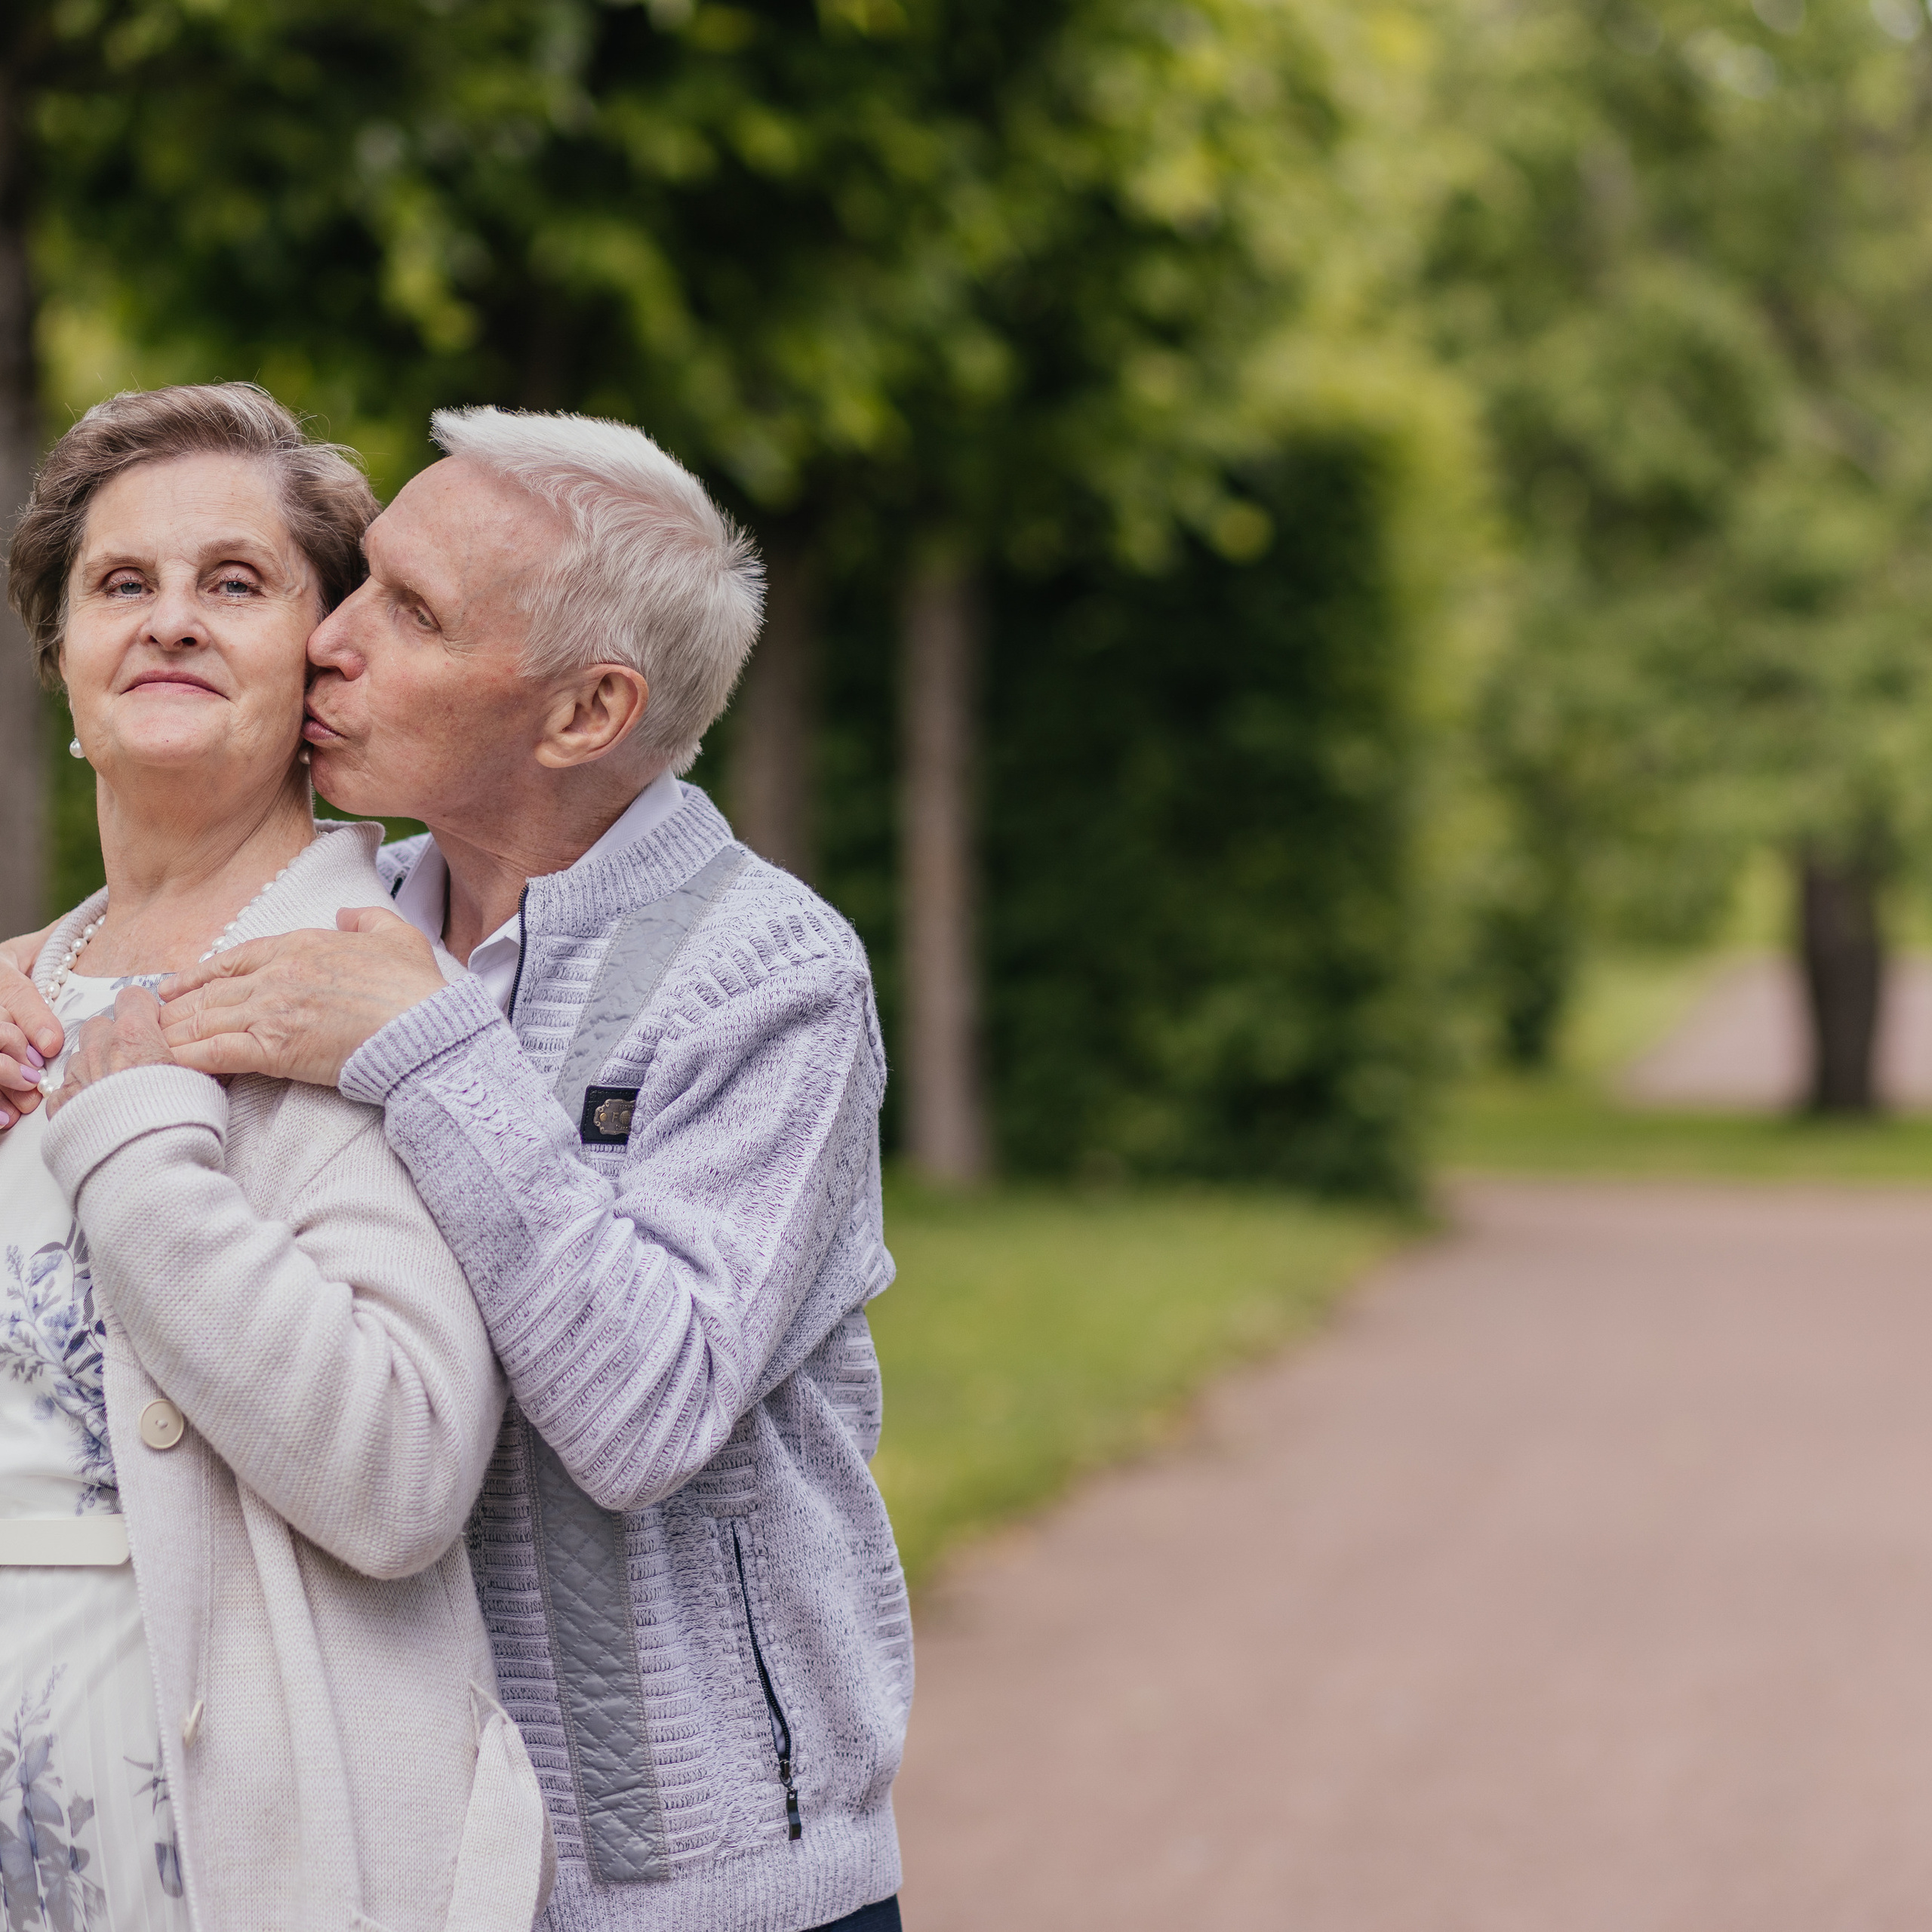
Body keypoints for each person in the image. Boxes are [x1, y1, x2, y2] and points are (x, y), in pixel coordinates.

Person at [1, 405, 912, 1932]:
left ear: (581, 712)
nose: (330, 637)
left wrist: (428, 1055)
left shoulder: (769, 974)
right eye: (353, 586)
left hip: (708, 1887)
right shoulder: (367, 919)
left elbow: (649, 1409)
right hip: (421, 1852)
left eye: (405, 610)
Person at [0, 383, 549, 1931]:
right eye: (124, 583)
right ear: (65, 660)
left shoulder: (371, 986)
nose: (171, 619)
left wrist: (133, 1151)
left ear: (317, 659)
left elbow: (397, 1470)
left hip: (242, 1852)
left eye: (232, 583)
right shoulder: (20, 988)